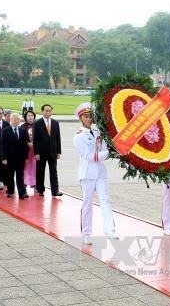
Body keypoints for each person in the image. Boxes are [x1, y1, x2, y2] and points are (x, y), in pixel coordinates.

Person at [73, 102, 118, 245]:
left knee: (106, 200)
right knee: (87, 203)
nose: (89, 119)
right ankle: (86, 233)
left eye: (90, 116)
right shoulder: (79, 136)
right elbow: (89, 156)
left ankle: (110, 230)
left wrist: (111, 151)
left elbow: (103, 149)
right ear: (81, 118)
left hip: (100, 173)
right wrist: (110, 152)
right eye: (86, 117)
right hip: (87, 174)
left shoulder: (98, 133)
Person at [33, 104, 62, 197]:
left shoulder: (55, 123)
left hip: (53, 152)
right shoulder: (37, 123)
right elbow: (35, 139)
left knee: (53, 171)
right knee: (40, 171)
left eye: (49, 111)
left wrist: (58, 151)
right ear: (42, 111)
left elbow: (58, 138)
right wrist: (36, 153)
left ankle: (55, 190)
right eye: (46, 110)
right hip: (41, 153)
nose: (48, 112)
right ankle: (40, 189)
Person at [1, 113, 29, 199]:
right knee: (10, 175)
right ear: (11, 120)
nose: (16, 121)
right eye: (14, 119)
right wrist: (4, 158)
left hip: (20, 158)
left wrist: (26, 157)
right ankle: (10, 191)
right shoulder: (5, 131)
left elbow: (25, 146)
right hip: (9, 158)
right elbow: (3, 145)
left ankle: (21, 193)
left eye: (18, 119)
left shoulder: (23, 131)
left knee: (20, 176)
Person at [21, 110, 37, 193]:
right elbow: (20, 139)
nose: (30, 117)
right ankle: (24, 184)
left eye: (32, 116)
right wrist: (27, 143)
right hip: (26, 151)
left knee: (35, 168)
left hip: (35, 151)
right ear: (25, 117)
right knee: (25, 167)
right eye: (29, 116)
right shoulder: (22, 127)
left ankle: (35, 184)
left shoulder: (38, 126)